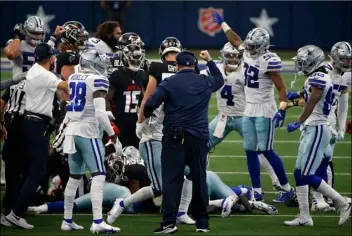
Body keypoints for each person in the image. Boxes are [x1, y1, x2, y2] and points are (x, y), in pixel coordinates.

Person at [107, 37, 195, 226]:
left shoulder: (164, 71)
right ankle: (122, 202)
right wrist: (140, 121)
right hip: (153, 134)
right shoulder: (158, 70)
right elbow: (147, 100)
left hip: (171, 133)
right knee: (159, 187)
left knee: (190, 172)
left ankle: (181, 212)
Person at [212, 12, 294, 203]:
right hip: (248, 108)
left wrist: (282, 109)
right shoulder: (247, 51)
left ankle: (287, 189)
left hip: (265, 109)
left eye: (253, 46)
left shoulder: (269, 59)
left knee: (266, 150)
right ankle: (257, 190)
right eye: (249, 45)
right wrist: (223, 23)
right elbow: (236, 40)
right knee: (250, 150)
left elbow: (281, 87)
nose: (249, 48)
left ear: (263, 46)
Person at [142, 50, 223, 233]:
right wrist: (209, 61)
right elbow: (219, 79)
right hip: (199, 138)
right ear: (194, 65)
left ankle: (169, 222)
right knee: (199, 179)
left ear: (177, 66)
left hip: (174, 138)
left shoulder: (169, 82)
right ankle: (202, 223)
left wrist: (149, 116)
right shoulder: (204, 81)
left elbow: (149, 104)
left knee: (172, 180)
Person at [284, 45, 351, 227]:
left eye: (302, 61)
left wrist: (297, 121)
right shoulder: (320, 75)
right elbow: (312, 96)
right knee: (299, 173)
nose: (300, 64)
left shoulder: (318, 76)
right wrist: (297, 95)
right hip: (313, 127)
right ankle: (305, 216)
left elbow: (312, 102)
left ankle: (342, 203)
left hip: (317, 127)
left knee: (306, 174)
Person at [201, 42, 281, 193]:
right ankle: (200, 177)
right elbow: (198, 78)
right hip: (223, 117)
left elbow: (261, 89)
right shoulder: (215, 68)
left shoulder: (246, 70)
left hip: (244, 117)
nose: (232, 59)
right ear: (223, 56)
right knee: (202, 144)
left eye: (236, 56)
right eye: (229, 56)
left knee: (259, 149)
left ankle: (276, 180)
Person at [5, 42, 67, 229]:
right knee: (38, 170)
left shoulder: (34, 70)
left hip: (31, 123)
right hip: (37, 124)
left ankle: (12, 211)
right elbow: (65, 85)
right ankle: (16, 212)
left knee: (30, 169)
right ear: (49, 58)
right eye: (53, 56)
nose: (55, 58)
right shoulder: (43, 74)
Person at [62, 48, 120, 233]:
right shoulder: (98, 80)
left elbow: (83, 103)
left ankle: (67, 220)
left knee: (74, 177)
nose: (104, 64)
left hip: (72, 130)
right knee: (99, 175)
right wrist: (112, 134)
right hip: (88, 131)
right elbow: (100, 113)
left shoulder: (73, 77)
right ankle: (97, 221)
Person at [106, 44, 146, 148]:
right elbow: (107, 98)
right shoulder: (116, 75)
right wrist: (109, 119)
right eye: (133, 59)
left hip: (134, 120)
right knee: (116, 152)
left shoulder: (142, 75)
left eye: (138, 59)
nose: (136, 62)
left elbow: (143, 98)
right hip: (119, 120)